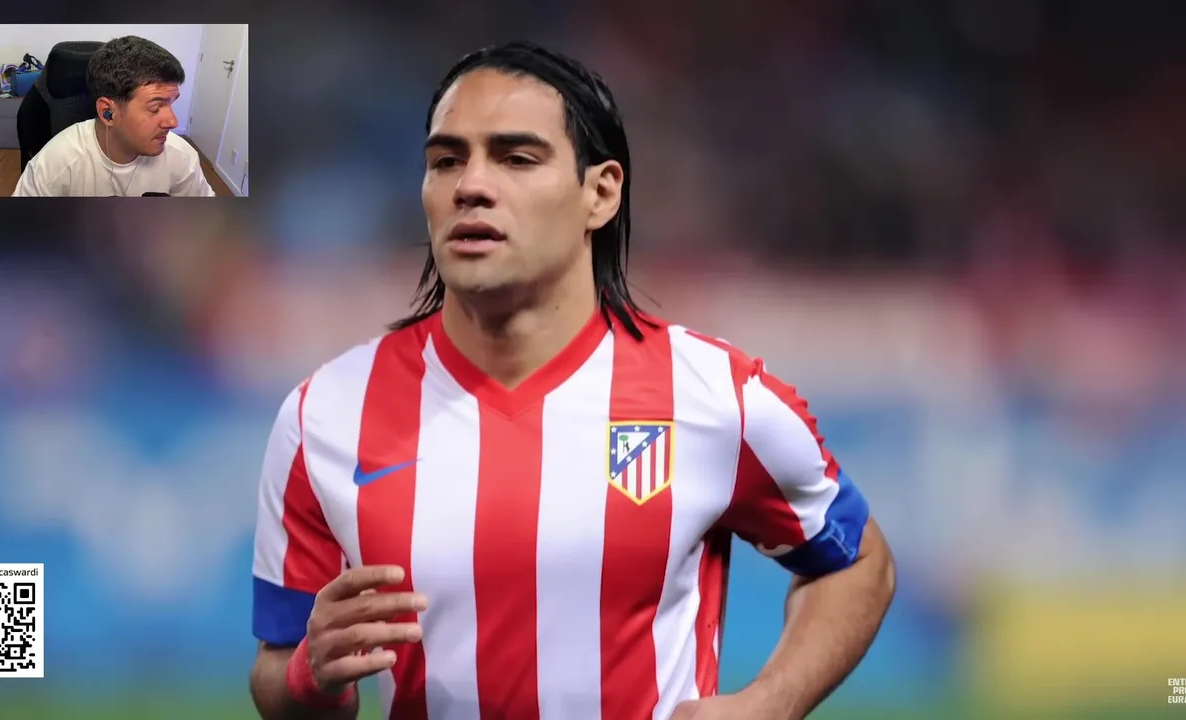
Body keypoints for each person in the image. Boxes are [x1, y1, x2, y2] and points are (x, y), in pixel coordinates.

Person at [249, 41, 895, 720]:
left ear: (601, 193)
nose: (471, 185)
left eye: (516, 158)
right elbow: (277, 670)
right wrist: (308, 677)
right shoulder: (325, 415)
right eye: (446, 161)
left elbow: (859, 562)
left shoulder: (714, 397)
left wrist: (769, 704)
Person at [12, 35, 214, 197]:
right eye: (155, 108)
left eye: (171, 103)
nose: (173, 122)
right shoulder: (56, 163)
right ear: (107, 113)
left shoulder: (182, 158)